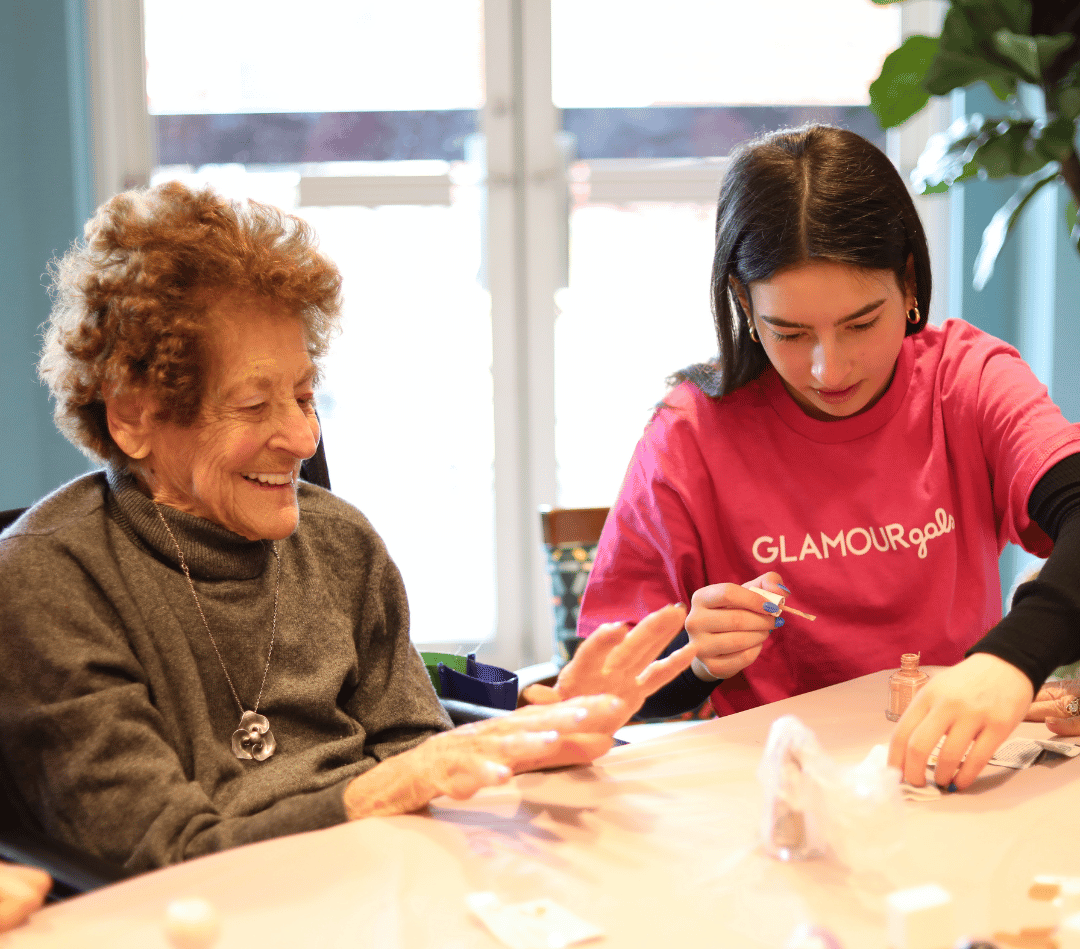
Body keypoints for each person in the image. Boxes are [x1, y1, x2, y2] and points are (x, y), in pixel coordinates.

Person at [0, 182, 693, 875]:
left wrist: (542, 738)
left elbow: (420, 761)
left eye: (305, 396)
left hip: (383, 895)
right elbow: (164, 855)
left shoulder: (339, 544)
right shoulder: (49, 581)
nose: (304, 439)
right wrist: (396, 785)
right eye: (252, 405)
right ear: (133, 418)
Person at [577, 125, 1080, 791]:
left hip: (948, 777)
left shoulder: (966, 380)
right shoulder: (689, 437)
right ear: (742, 302)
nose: (828, 368)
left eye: (861, 323)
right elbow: (602, 692)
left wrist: (1009, 661)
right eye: (790, 332)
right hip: (771, 803)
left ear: (908, 284)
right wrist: (693, 657)